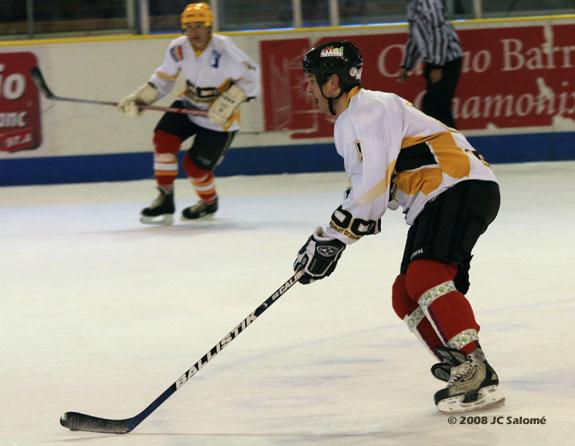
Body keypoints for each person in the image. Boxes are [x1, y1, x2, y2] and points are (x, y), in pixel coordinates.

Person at [293, 40, 505, 414]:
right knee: (404, 294)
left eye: (312, 81)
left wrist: (331, 239)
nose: (307, 89)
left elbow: (371, 190)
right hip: (444, 194)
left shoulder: (368, 109)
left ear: (333, 83)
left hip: (456, 186)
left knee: (425, 276)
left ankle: (476, 368)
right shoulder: (358, 117)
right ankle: (459, 364)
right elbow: (369, 192)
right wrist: (330, 239)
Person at [118, 2, 260, 224]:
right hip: (189, 104)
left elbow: (252, 77)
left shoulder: (223, 49)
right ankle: (165, 199)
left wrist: (228, 101)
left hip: (218, 118)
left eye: (199, 26)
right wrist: (141, 98)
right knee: (163, 139)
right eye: (188, 26)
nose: (193, 32)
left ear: (209, 26)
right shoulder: (178, 47)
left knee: (194, 168)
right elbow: (164, 80)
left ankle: (209, 202)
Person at [397, 0, 462, 129]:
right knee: (435, 107)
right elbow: (415, 37)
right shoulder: (414, 5)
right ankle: (450, 144)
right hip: (435, 61)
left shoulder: (428, 3)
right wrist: (406, 65)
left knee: (436, 107)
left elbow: (439, 32)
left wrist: (438, 66)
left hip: (446, 60)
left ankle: (454, 145)